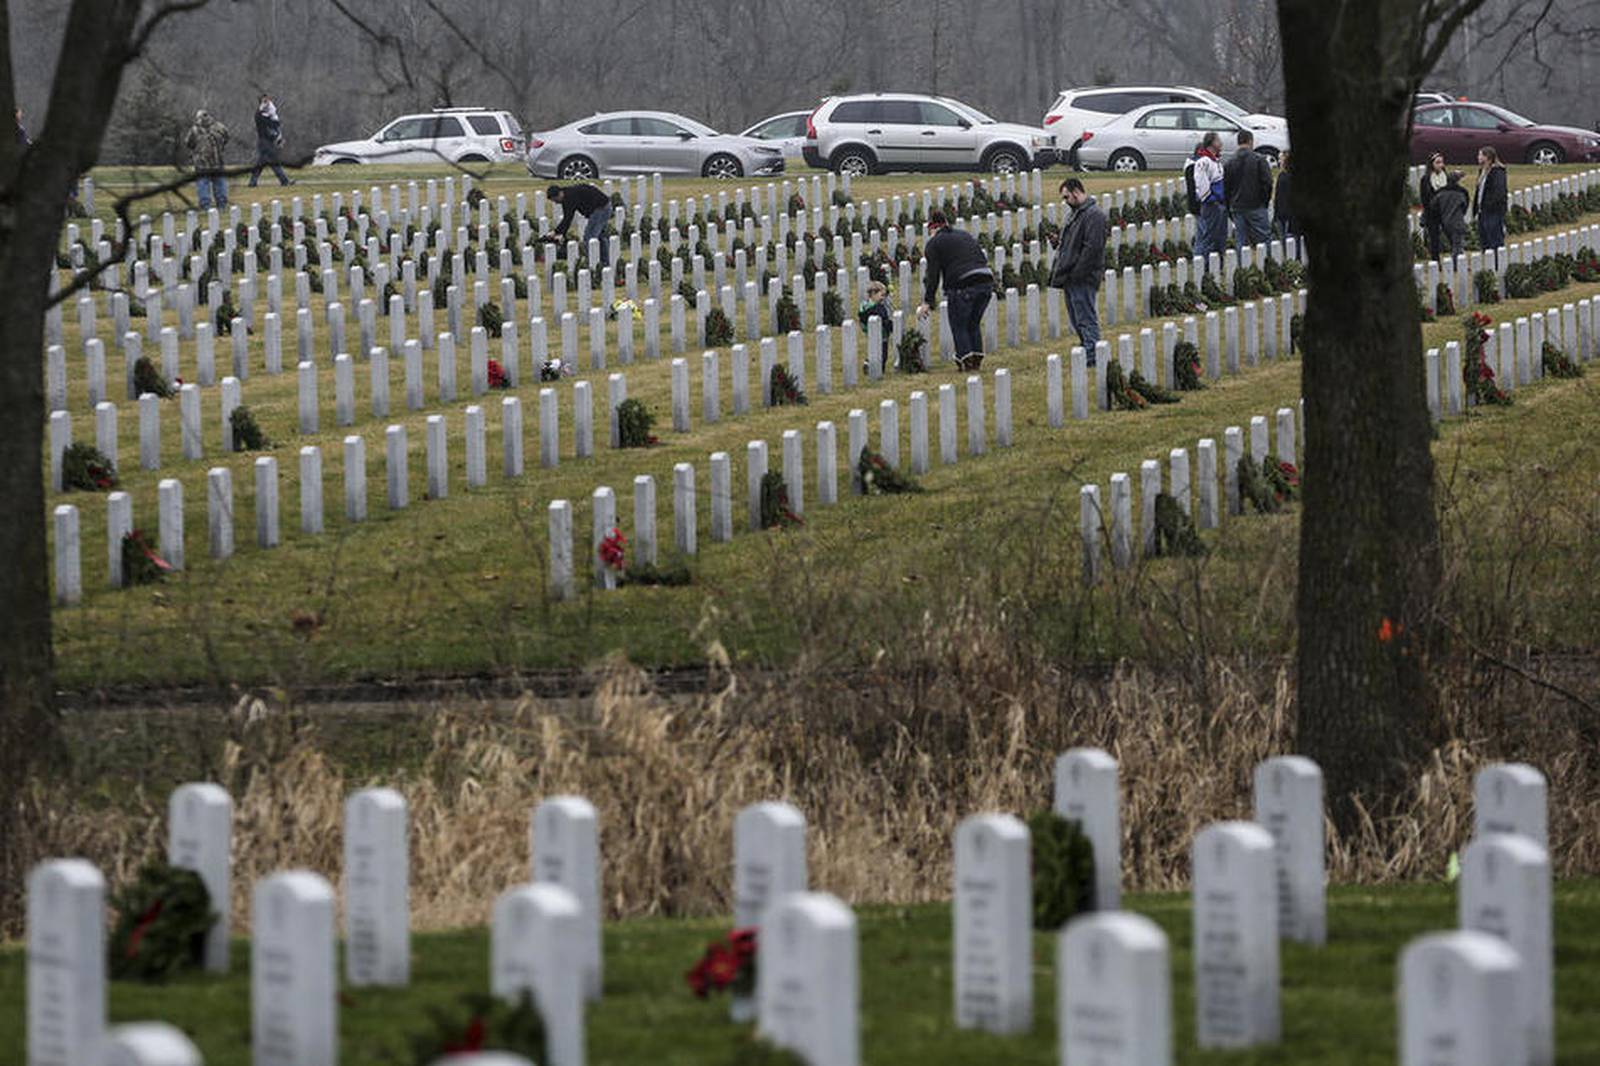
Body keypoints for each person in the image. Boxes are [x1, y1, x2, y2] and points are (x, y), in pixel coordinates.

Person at [917, 209, 992, 371]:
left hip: (962, 285)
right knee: (973, 323)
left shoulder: (933, 244)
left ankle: (966, 360)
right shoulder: (964, 235)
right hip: (986, 281)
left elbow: (933, 275)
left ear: (932, 228)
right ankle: (977, 358)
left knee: (959, 325)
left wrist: (927, 302)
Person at [1049, 177, 1108, 362]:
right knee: (1076, 318)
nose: (1065, 201)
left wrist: (1077, 273)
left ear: (1076, 192)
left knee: (1086, 317)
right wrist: (1058, 242)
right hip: (1071, 276)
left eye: (1067, 197)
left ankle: (1092, 355)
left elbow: (1093, 248)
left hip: (1083, 276)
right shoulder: (1075, 213)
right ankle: (1086, 347)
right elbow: (1073, 244)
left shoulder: (1094, 215)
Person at [1223, 129, 1273, 250]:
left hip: (1237, 206)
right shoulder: (1259, 160)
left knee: (1241, 241)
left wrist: (1230, 206)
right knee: (1264, 239)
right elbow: (1267, 183)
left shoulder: (1229, 163)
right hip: (1256, 205)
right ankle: (1268, 265)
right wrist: (1264, 202)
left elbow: (1226, 188)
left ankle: (1242, 267)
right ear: (1251, 141)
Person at [548, 182, 614, 267]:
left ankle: (593, 263)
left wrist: (556, 232)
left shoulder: (569, 197)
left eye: (555, 199)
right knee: (600, 237)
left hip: (601, 208)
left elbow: (568, 219)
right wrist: (558, 233)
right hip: (602, 207)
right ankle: (604, 262)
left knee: (589, 237)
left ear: (559, 194)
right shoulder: (567, 195)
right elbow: (567, 219)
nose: (555, 203)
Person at [184, 109, 230, 211]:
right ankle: (222, 204)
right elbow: (227, 137)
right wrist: (220, 148)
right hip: (218, 161)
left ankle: (205, 205)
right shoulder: (219, 127)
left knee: (203, 183)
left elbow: (188, 143)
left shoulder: (195, 130)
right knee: (220, 182)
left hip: (201, 163)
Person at [1192, 132, 1227, 264]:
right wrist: (1211, 199)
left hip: (1219, 204)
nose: (1221, 143)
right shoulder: (1203, 162)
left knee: (1219, 238)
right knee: (1209, 238)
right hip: (1212, 205)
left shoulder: (1215, 161)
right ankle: (1203, 265)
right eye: (1218, 141)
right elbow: (1202, 184)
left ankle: (1216, 264)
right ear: (1212, 143)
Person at [249, 93, 292, 188]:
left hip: (269, 142)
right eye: (265, 101)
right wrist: (261, 108)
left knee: (261, 164)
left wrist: (279, 138)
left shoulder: (270, 115)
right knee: (274, 162)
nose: (268, 103)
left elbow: (276, 124)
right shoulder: (259, 116)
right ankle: (284, 181)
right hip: (264, 142)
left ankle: (252, 182)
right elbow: (257, 117)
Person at [1426, 170, 1470, 261]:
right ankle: (1455, 265)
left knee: (1454, 244)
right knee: (1457, 246)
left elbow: (1432, 207)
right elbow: (1464, 206)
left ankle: (1457, 262)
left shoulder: (1440, 193)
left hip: (1445, 223)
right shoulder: (1461, 193)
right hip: (1457, 222)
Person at [1473, 146, 1507, 251]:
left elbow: (1499, 192)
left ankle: (1497, 263)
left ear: (1487, 157)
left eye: (1480, 155)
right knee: (1485, 239)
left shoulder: (1497, 172)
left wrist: (1489, 205)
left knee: (1494, 238)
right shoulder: (1482, 171)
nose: (1478, 157)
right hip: (1482, 210)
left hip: (1493, 211)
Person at [857, 279, 894, 370]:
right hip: (872, 332)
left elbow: (885, 318)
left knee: (884, 353)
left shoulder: (882, 306)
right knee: (874, 349)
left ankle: (881, 367)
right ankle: (869, 364)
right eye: (881, 295)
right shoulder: (866, 306)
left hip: (884, 334)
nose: (883, 298)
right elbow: (863, 316)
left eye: (884, 295)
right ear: (873, 294)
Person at [1419, 152, 1447, 254]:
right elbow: (1424, 198)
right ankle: (1435, 258)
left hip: (1445, 212)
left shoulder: (1446, 177)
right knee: (1434, 238)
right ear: (1432, 164)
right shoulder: (1425, 180)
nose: (1441, 165)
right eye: (1438, 162)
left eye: (1442, 162)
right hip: (1432, 214)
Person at [1272, 150, 1297, 238]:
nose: (1279, 161)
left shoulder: (1284, 176)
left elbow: (1280, 197)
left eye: (1280, 159)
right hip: (1285, 215)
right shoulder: (1283, 175)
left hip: (1286, 216)